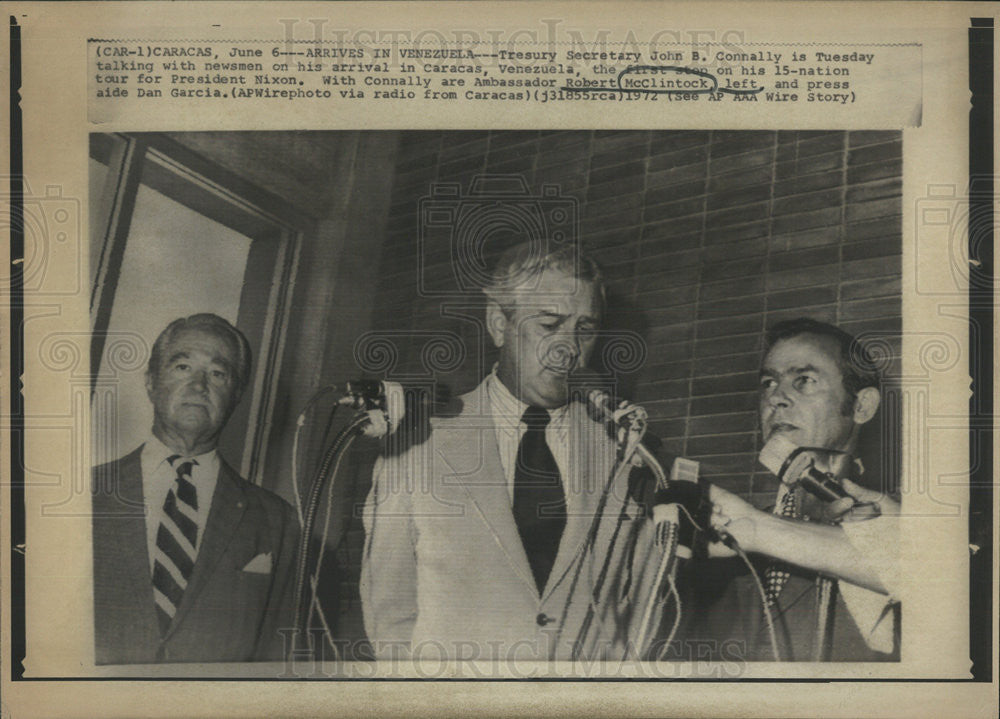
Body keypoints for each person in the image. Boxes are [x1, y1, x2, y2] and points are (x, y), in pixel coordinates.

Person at [360, 243, 667, 662]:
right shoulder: (417, 444)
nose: (569, 348)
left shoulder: (624, 450)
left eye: (585, 328)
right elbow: (389, 613)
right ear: (498, 324)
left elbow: (641, 610)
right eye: (549, 324)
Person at [91, 313, 299, 664]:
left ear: (236, 396)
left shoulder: (277, 521)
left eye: (218, 374)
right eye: (183, 367)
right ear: (151, 382)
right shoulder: (84, 496)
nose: (199, 386)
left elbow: (278, 658)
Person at [692, 317, 900, 661]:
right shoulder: (728, 536)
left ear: (861, 406)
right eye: (768, 383)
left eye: (804, 380)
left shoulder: (909, 521)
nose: (776, 398)